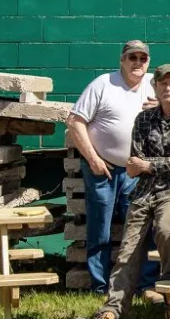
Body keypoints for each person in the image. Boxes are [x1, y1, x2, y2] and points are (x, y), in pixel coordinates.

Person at [71, 64, 170, 319]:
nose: (168, 88)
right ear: (155, 88)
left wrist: (151, 165)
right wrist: (151, 165)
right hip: (145, 192)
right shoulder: (144, 119)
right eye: (162, 84)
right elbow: (134, 163)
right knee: (128, 250)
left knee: (166, 230)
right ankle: (109, 318)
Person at [66, 40, 159, 297]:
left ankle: (144, 284)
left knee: (141, 227)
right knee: (100, 229)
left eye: (143, 58)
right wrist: (94, 159)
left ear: (148, 62)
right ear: (122, 60)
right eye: (132, 58)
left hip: (135, 171)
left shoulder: (154, 84)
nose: (137, 63)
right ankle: (100, 286)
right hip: (102, 170)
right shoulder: (103, 84)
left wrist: (160, 106)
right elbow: (74, 121)